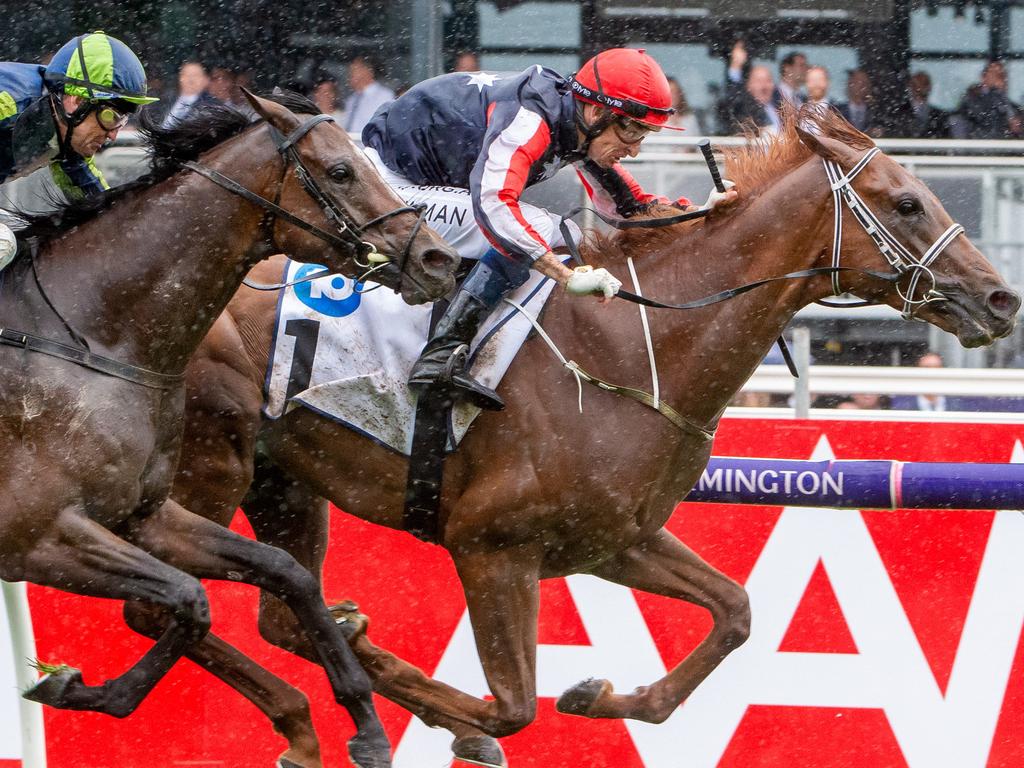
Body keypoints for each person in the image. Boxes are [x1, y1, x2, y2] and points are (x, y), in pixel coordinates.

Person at [363, 47, 739, 409]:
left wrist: (701, 213)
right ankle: (441, 355)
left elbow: (630, 208)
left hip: (425, 186)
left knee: (564, 233)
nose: (636, 149)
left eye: (643, 136)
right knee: (545, 229)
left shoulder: (575, 125)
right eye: (632, 132)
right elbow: (494, 203)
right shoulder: (532, 117)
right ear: (595, 112)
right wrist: (561, 274)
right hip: (382, 192)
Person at [0, 31, 157, 269]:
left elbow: (99, 204)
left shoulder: (70, 135)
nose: (113, 134)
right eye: (110, 117)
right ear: (75, 100)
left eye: (121, 121)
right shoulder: (8, 100)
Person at [722, 41, 781, 135]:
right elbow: (733, 97)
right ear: (749, 86)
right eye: (759, 81)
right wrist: (736, 66)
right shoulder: (745, 107)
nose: (764, 86)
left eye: (768, 80)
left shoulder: (781, 106)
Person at [955, 61, 1021, 139]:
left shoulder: (1012, 107)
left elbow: (1017, 129)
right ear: (984, 77)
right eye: (994, 75)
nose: (998, 79)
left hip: (1004, 146)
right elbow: (977, 117)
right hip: (979, 145)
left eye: (1001, 76)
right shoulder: (972, 100)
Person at [343, 55, 394, 135]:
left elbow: (385, 130)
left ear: (367, 71)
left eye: (354, 70)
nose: (349, 74)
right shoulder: (351, 100)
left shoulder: (385, 96)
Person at [161, 60, 217, 128]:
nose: (190, 80)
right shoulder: (165, 100)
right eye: (185, 74)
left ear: (206, 80)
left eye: (195, 75)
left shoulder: (212, 106)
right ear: (179, 78)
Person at [903, 71, 949, 139]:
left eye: (925, 83)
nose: (921, 87)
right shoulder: (901, 112)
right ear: (911, 86)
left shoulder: (939, 115)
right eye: (917, 84)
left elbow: (944, 137)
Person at [837, 69, 881, 137]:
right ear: (849, 84)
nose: (861, 86)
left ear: (869, 86)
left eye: (864, 82)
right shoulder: (837, 111)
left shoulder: (876, 112)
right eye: (857, 82)